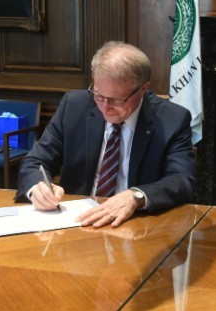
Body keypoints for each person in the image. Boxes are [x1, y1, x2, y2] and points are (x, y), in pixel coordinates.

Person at [15, 41, 196, 228]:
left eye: (117, 100)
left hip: (136, 224)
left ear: (143, 89)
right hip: (76, 222)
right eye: (99, 95)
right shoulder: (74, 106)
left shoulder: (172, 119)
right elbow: (35, 161)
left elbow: (182, 179)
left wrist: (137, 196)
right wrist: (37, 187)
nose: (105, 107)